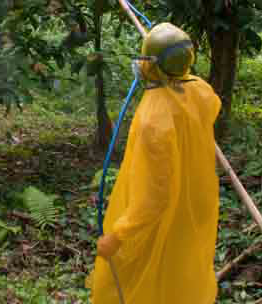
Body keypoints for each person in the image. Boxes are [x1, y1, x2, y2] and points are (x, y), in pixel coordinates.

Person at [86, 22, 222, 304]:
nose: (140, 63)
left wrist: (118, 235)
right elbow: (206, 103)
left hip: (162, 217)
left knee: (143, 282)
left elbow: (154, 197)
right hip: (195, 205)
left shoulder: (153, 121)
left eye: (145, 57)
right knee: (180, 274)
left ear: (154, 65)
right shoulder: (201, 90)